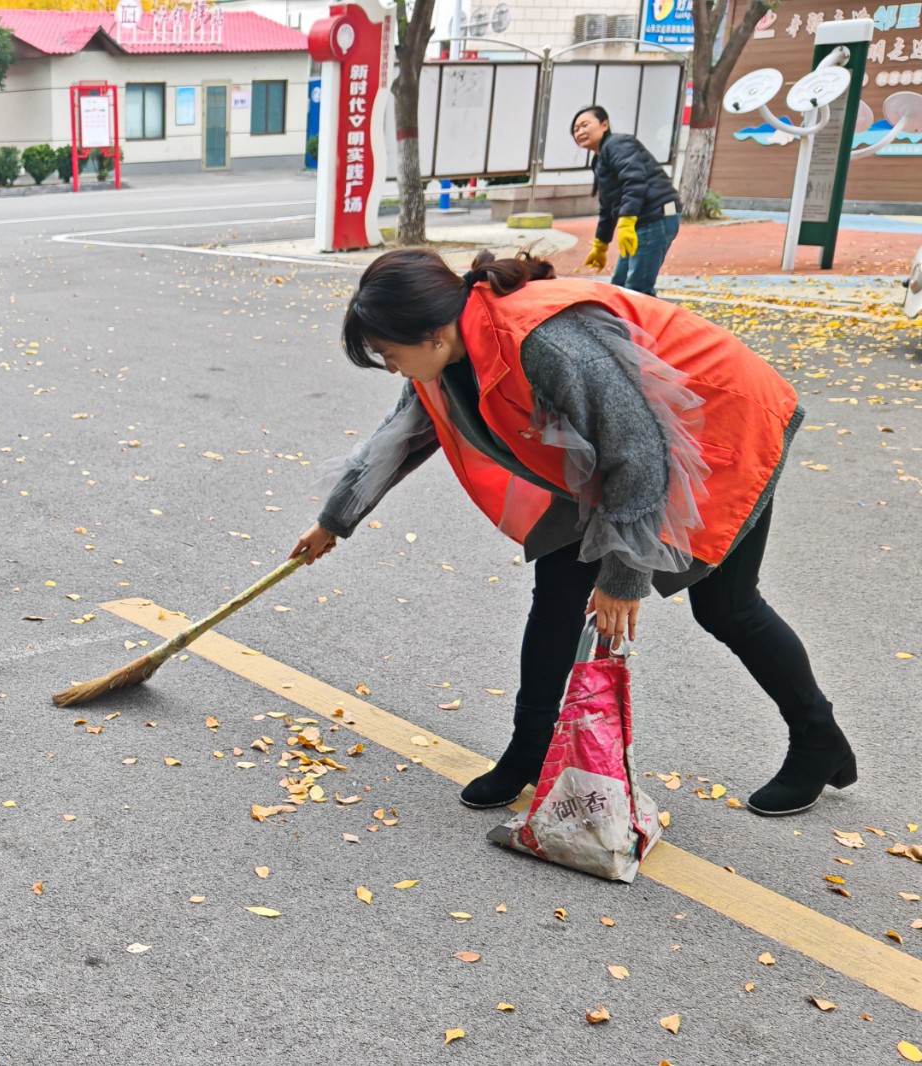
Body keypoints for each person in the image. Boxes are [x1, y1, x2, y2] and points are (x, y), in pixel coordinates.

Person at [289, 248, 854, 818]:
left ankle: (817, 741)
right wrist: (333, 522)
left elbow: (640, 452)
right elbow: (404, 434)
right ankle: (529, 752)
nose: (390, 367)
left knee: (727, 606)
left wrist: (622, 576)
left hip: (717, 426)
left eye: (389, 353)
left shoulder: (544, 343)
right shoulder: (447, 352)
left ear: (433, 334)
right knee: (557, 590)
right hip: (616, 456)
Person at [571, 105, 679, 296]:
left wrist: (627, 220)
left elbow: (634, 180)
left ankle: (643, 325)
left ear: (604, 124)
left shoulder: (618, 144)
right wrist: (600, 244)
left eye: (584, 125)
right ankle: (624, 324)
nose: (580, 132)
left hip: (656, 217)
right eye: (575, 129)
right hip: (642, 221)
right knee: (620, 285)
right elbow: (607, 206)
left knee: (637, 289)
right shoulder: (600, 159)